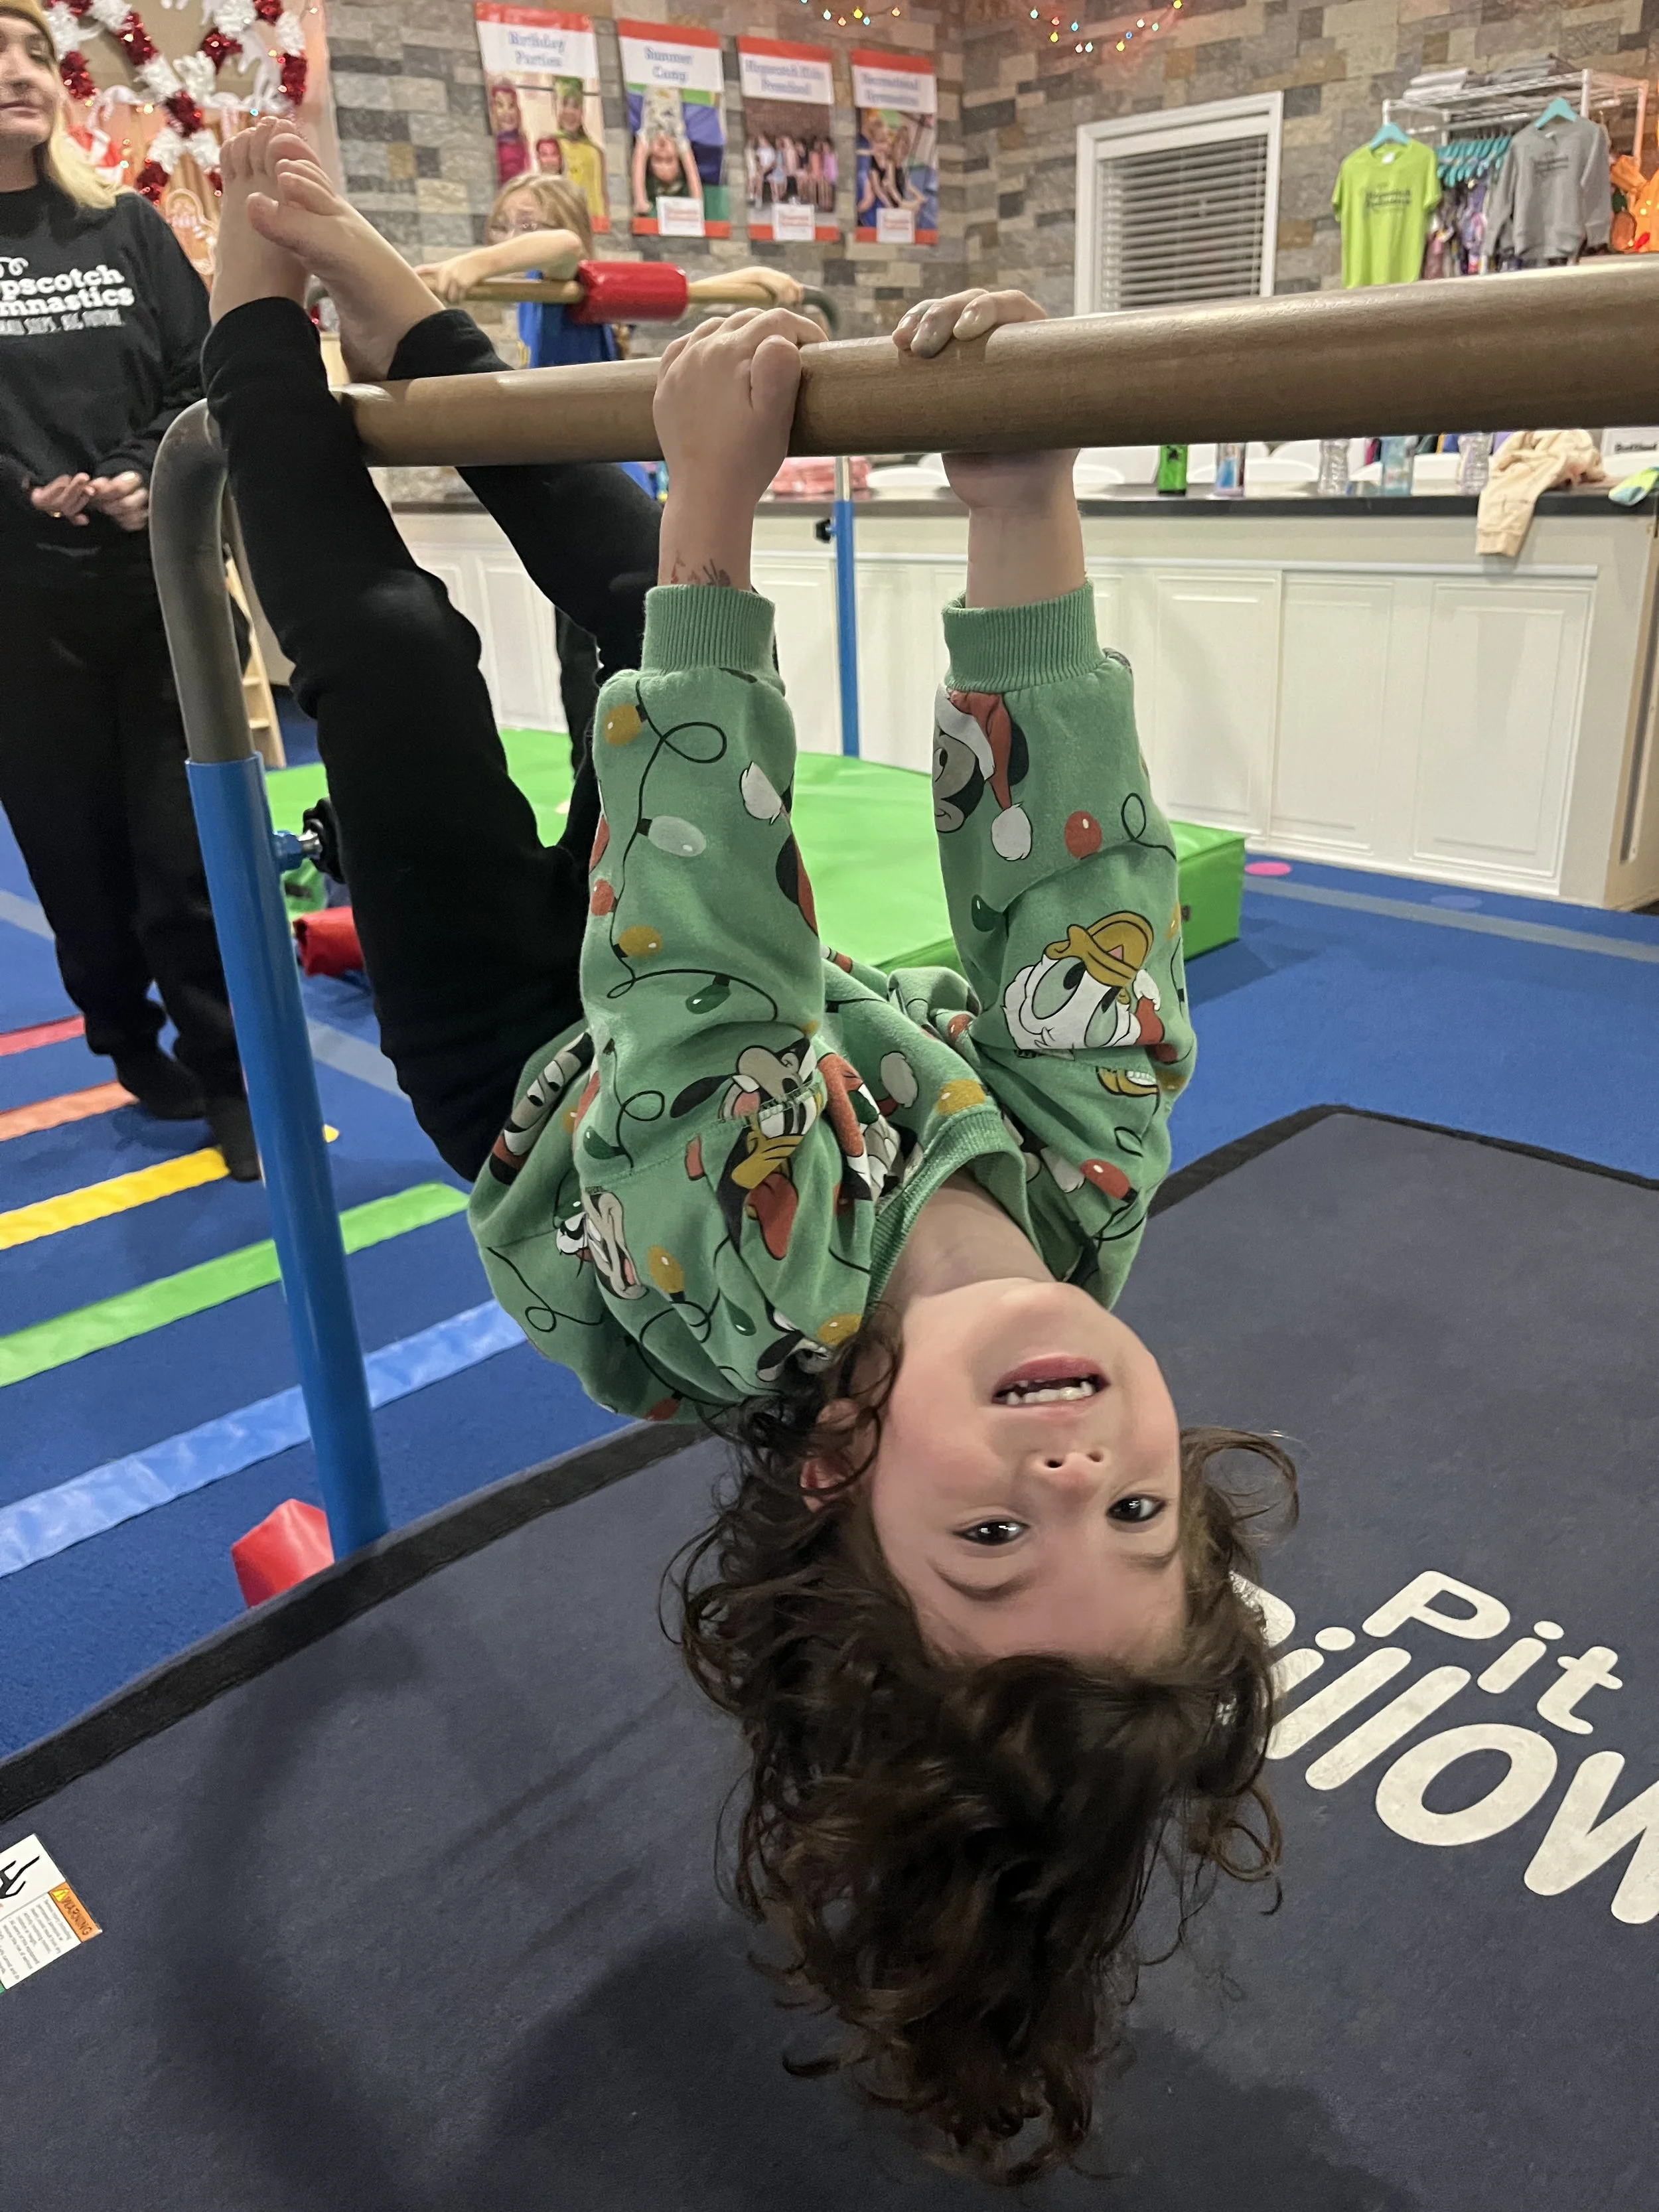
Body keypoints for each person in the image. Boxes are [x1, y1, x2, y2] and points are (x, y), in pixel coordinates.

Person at [205, 121, 1291, 2183]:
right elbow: (1066, 875)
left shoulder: (756, 1280)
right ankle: (369, 268)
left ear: (839, 1463)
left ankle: (243, 314)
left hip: (543, 1074)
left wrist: (723, 510)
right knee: (629, 570)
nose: (1074, 1474)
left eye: (995, 1539)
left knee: (404, 658)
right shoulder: (1089, 1188)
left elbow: (695, 956)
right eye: (1139, 1514)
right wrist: (1016, 485)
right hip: (722, 985)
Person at [0, 0, 255, 1175]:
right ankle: (122, 1031)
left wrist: (147, 472)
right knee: (78, 864)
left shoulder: (126, 227)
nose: (19, 73)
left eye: (33, 54)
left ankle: (231, 1075)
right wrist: (25, 491)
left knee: (184, 856)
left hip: (156, 593)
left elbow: (199, 376)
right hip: (20, 615)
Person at [416, 171, 799, 763]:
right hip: (593, 487)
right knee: (594, 644)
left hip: (602, 491)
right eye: (503, 225)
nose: (514, 237)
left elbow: (566, 247)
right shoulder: (553, 301)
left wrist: (473, 264)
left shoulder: (565, 286)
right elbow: (666, 291)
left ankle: (607, 769)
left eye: (527, 223)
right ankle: (603, 766)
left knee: (610, 645)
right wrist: (746, 281)